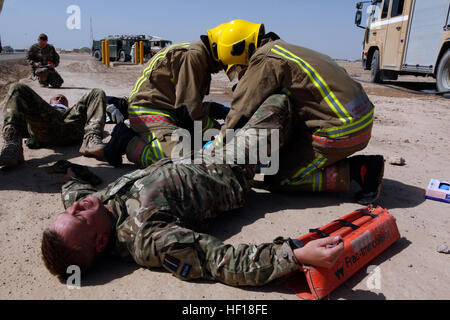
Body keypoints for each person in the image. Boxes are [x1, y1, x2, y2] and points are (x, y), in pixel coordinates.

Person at [41, 94, 345, 286]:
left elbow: (74, 194)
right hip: (231, 168)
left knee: (235, 103)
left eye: (69, 210)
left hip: (203, 152)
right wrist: (295, 255)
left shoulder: (94, 210)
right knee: (278, 103)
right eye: (78, 216)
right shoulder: (150, 238)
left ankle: (278, 152)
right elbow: (219, 261)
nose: (78, 206)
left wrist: (69, 174)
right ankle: (297, 158)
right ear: (100, 241)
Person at [207, 20, 384, 204]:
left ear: (239, 50)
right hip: (359, 119)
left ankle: (359, 171)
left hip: (343, 131)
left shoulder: (264, 58)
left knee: (279, 178)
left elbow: (241, 112)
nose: (241, 71)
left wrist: (215, 149)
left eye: (237, 67)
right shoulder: (283, 50)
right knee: (280, 155)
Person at [103, 30, 231, 168]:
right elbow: (191, 108)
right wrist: (220, 133)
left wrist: (224, 113)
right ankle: (126, 140)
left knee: (211, 142)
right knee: (181, 160)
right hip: (149, 111)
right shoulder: (194, 56)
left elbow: (191, 105)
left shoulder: (203, 60)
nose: (221, 69)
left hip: (172, 111)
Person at [0, 83, 106, 168]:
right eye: (57, 98)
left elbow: (95, 116)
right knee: (17, 87)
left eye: (63, 99)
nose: (60, 98)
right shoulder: (43, 111)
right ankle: (12, 147)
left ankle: (91, 140)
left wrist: (93, 129)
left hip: (72, 126)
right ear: (49, 103)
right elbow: (19, 121)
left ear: (67, 105)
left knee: (97, 92)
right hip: (46, 125)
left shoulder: (72, 111)